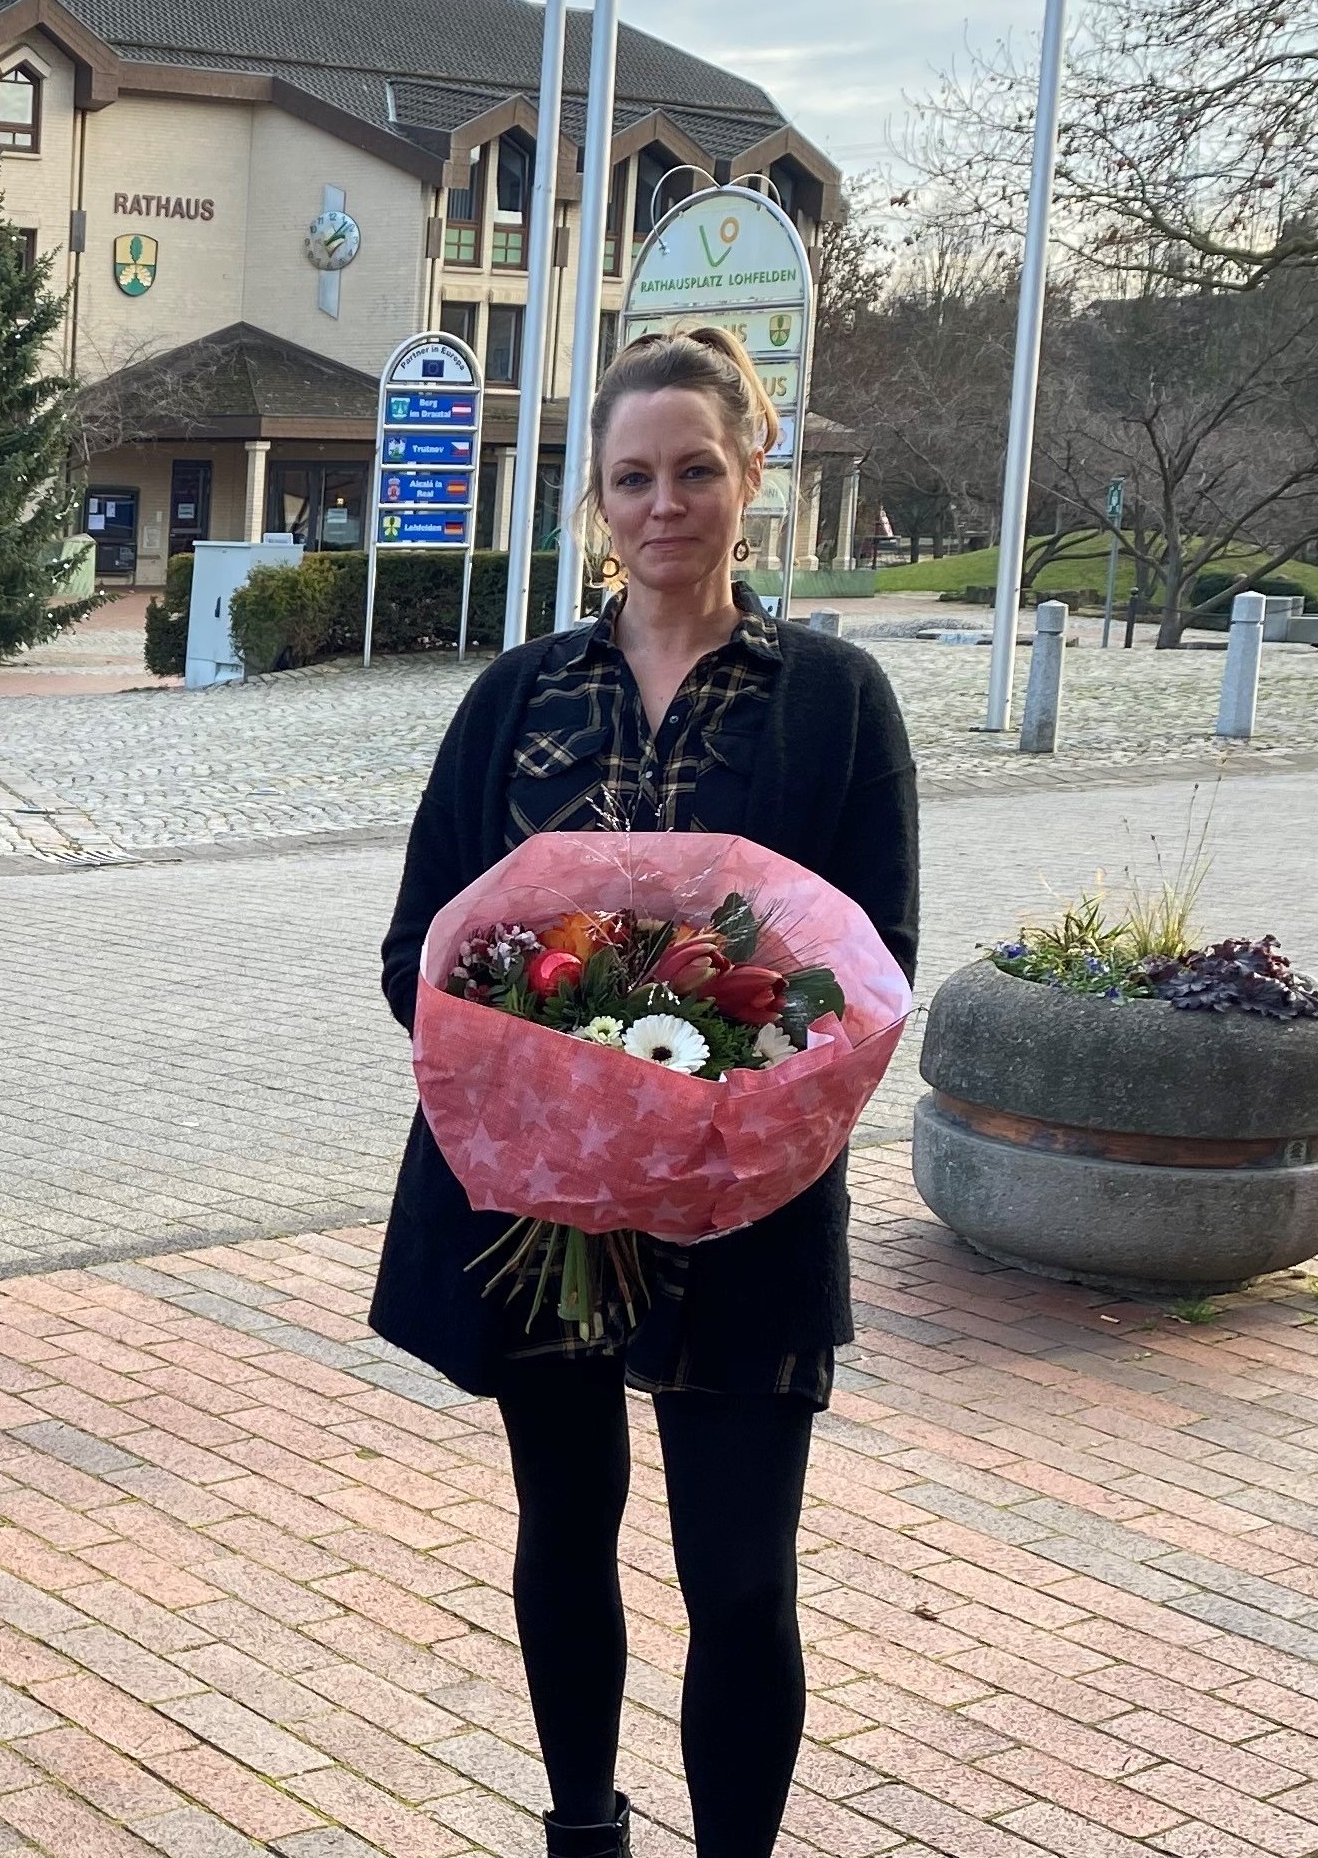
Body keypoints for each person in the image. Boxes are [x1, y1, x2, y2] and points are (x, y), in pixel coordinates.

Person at [370, 327, 919, 1858]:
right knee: (567, 1529)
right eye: (631, 477)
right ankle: (581, 1830)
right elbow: (423, 943)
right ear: (590, 503)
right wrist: (543, 1068)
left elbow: (874, 966)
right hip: (546, 1203)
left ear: (754, 474)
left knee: (741, 1573)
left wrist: (720, 1090)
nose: (663, 502)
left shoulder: (834, 701)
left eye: (694, 469)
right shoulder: (517, 699)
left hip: (748, 1206)